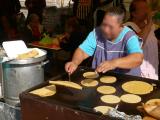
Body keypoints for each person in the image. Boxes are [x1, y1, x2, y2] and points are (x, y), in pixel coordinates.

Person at [65, 7, 143, 76]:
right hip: (101, 79)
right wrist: (74, 62)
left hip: (126, 82)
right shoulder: (96, 33)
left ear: (121, 26)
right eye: (104, 24)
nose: (105, 29)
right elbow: (82, 51)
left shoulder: (129, 36)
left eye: (110, 27)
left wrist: (114, 63)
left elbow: (137, 58)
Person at [125, 0, 159, 80]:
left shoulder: (148, 25)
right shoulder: (127, 28)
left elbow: (151, 41)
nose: (147, 11)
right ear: (134, 14)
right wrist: (149, 23)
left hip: (152, 69)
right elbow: (137, 43)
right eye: (143, 9)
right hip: (136, 73)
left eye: (147, 8)